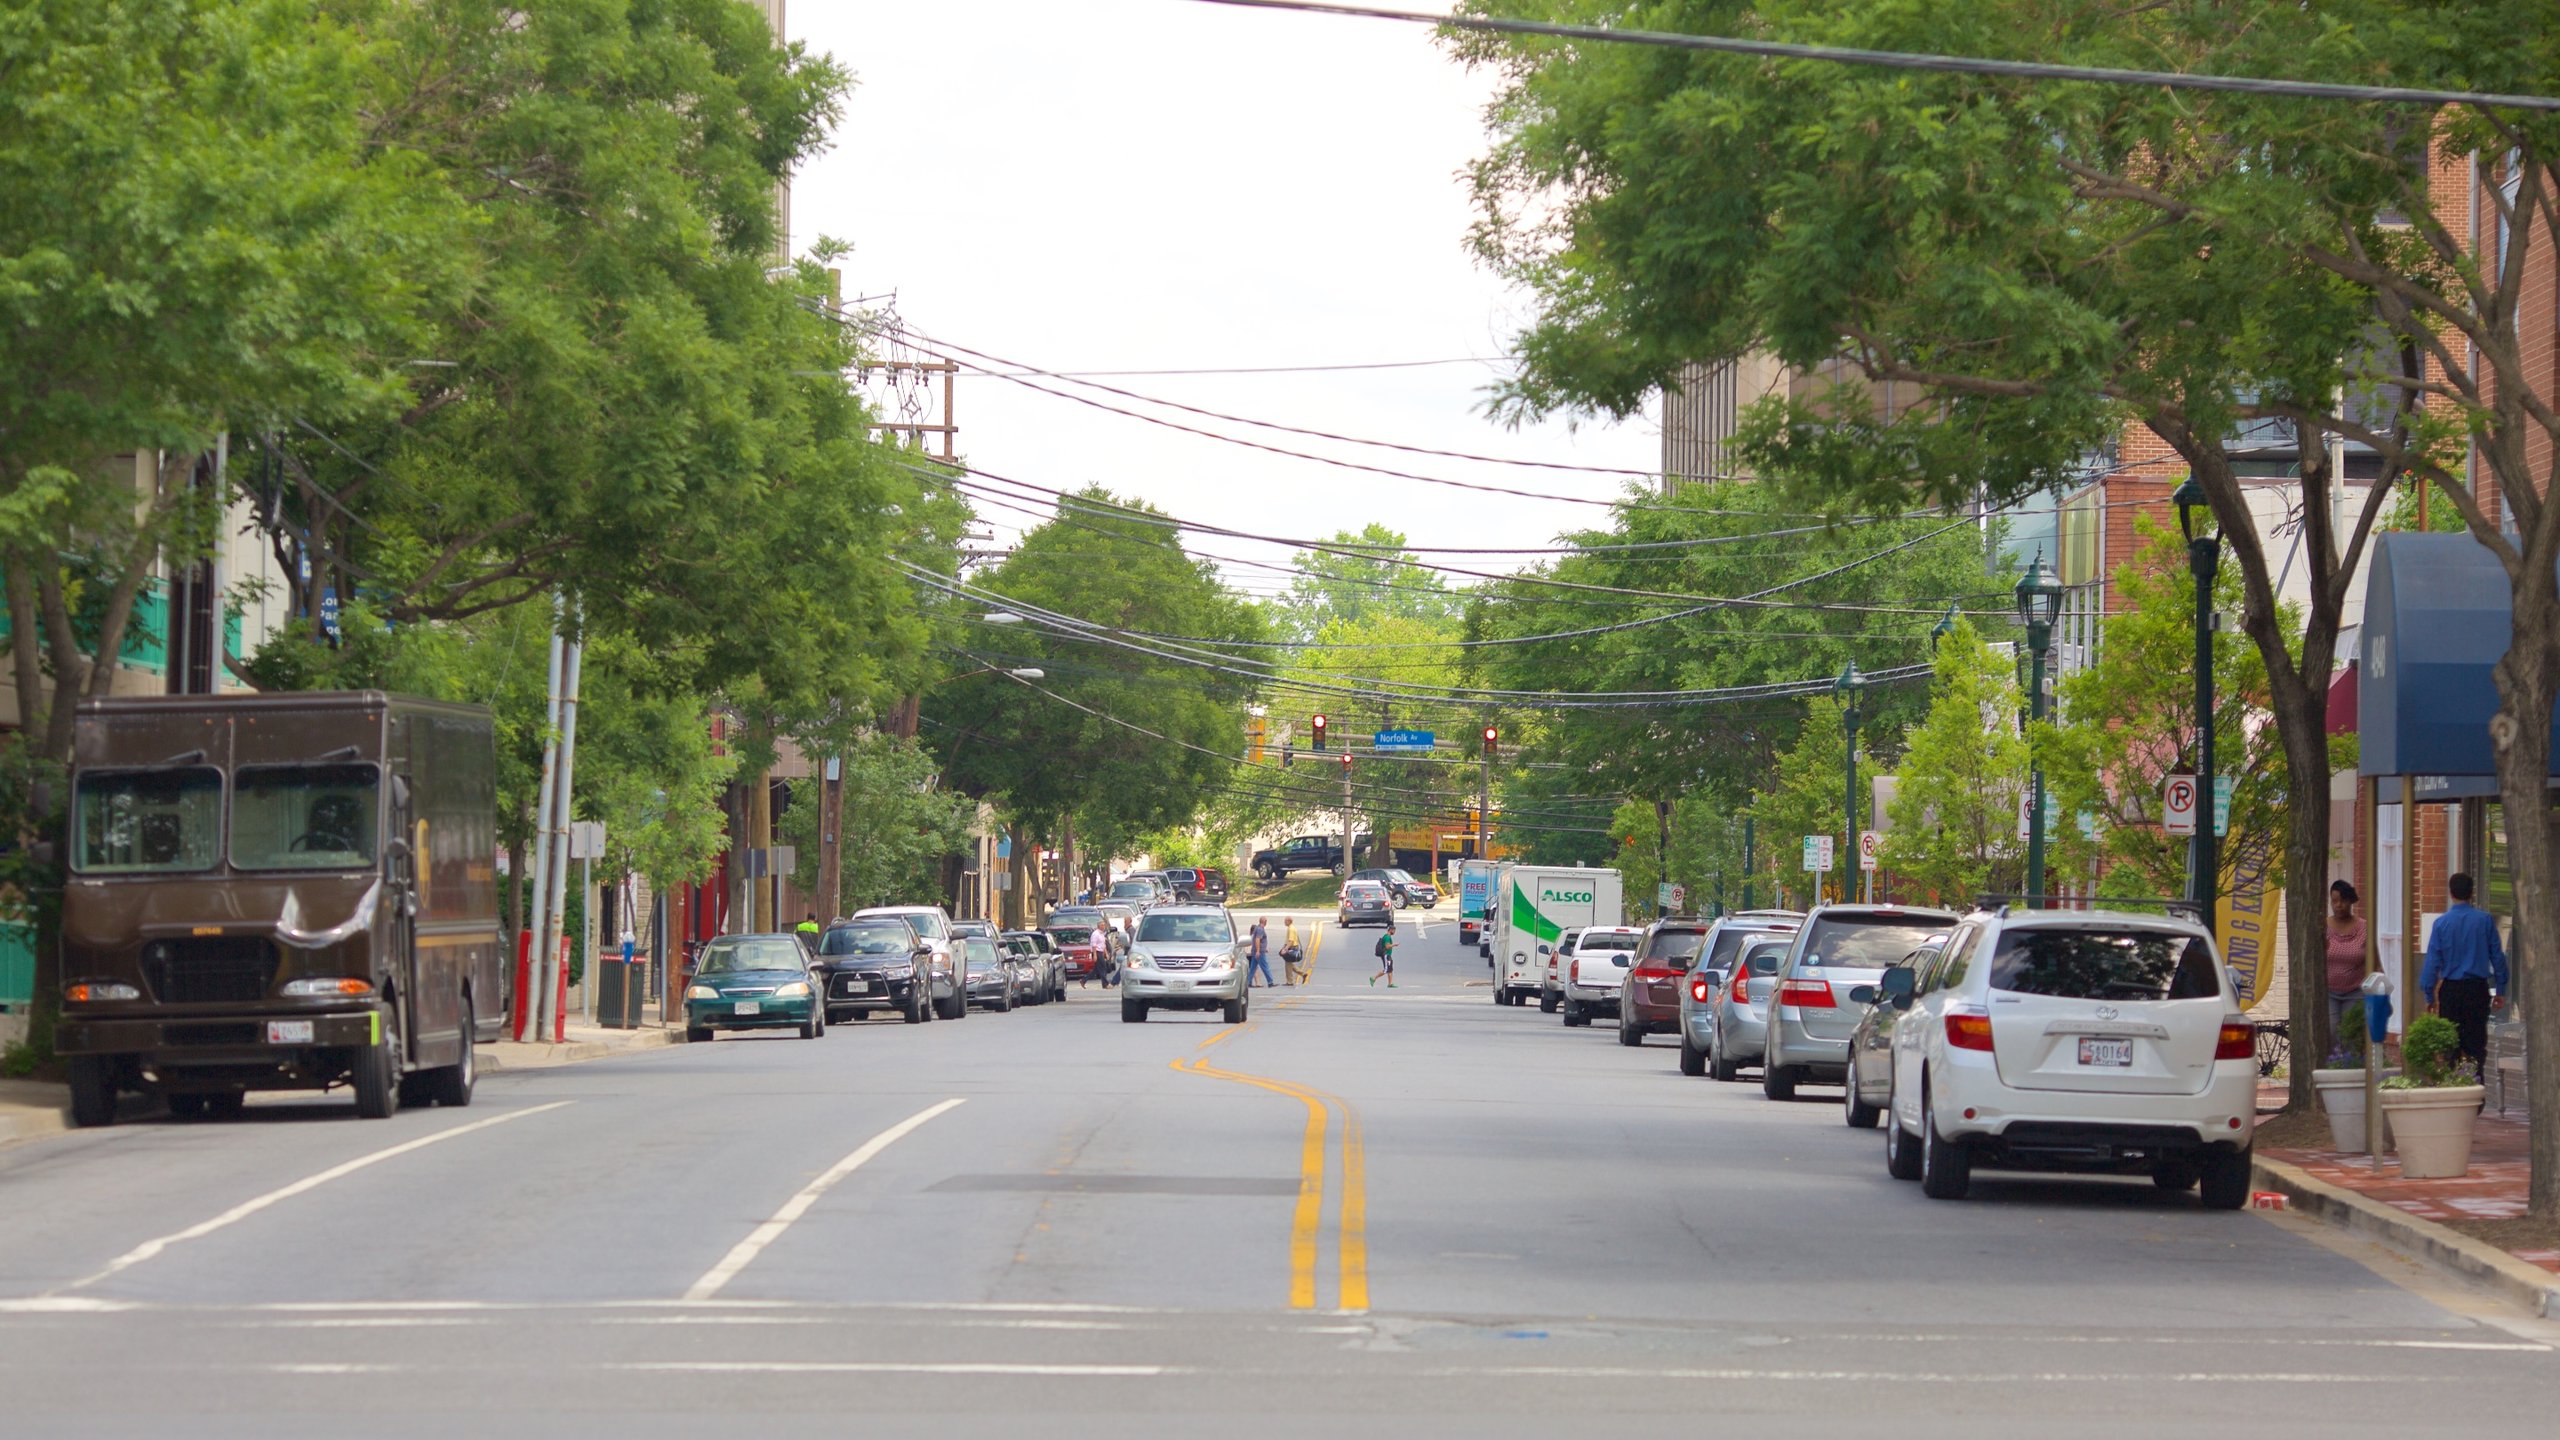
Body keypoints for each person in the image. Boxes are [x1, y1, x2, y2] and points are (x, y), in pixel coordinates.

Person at [2419, 871, 2507, 1079]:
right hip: (2477, 989)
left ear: (2451, 893)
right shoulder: (2484, 921)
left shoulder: (2441, 924)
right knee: (2476, 1044)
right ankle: (2477, 1088)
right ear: (2471, 893)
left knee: (2451, 1044)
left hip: (2451, 990)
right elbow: (2497, 956)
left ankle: (2453, 1087)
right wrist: (2501, 989)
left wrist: (2429, 994)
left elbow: (2432, 961)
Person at [2323, 880, 2366, 1036]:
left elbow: (2374, 962)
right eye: (2334, 901)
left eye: (2343, 901)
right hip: (2329, 992)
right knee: (2332, 1031)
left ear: (2350, 901)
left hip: (2355, 991)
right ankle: (2334, 1060)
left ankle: (2350, 1061)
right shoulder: (2323, 926)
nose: (2338, 905)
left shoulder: (2363, 928)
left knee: (2350, 1033)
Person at [1246, 916, 1275, 988]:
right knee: (1265, 966)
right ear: (1264, 922)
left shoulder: (1257, 928)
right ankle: (1270, 981)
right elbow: (1257, 939)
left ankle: (1248, 982)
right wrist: (1258, 950)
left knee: (1252, 967)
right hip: (1259, 952)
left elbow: (1258, 940)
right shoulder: (1260, 929)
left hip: (1256, 951)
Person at [1281, 917, 1307, 986]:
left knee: (1288, 965)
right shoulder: (1291, 927)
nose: (1284, 922)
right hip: (1292, 947)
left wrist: (1285, 949)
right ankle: (1303, 974)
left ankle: (1290, 981)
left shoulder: (1291, 929)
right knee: (1289, 964)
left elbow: (1291, 941)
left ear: (1289, 921)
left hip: (1292, 948)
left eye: (1285, 921)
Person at [1083, 922, 1109, 988]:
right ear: (1098, 926)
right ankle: (1106, 983)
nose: (1103, 926)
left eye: (1104, 925)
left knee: (1096, 969)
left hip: (1101, 952)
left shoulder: (1102, 934)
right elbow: (1094, 945)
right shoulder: (1095, 934)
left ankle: (1083, 980)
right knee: (1103, 967)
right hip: (1097, 952)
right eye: (1102, 925)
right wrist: (1094, 955)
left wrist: (1106, 953)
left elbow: (1103, 944)